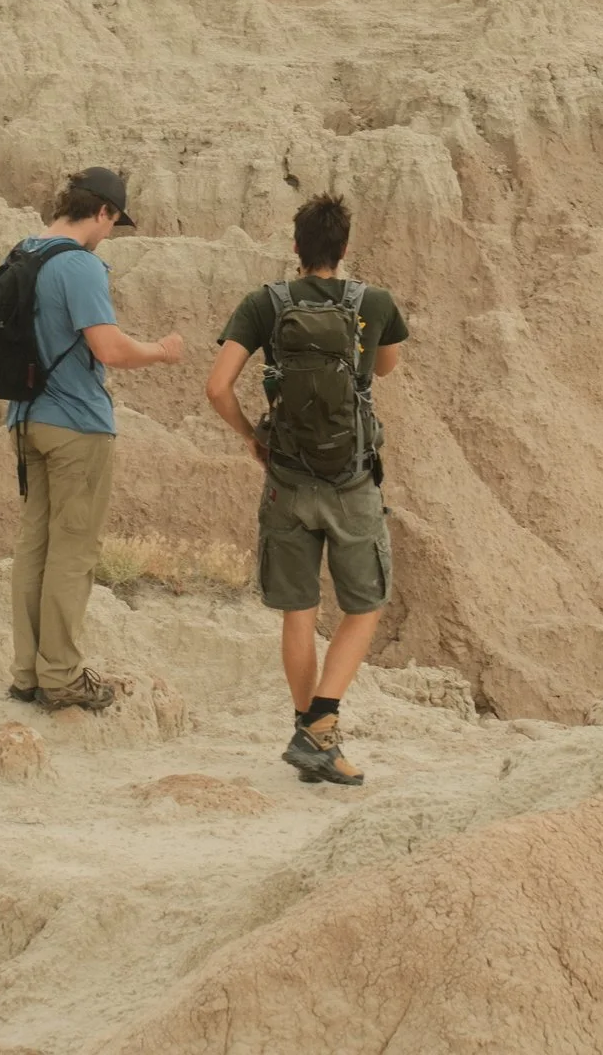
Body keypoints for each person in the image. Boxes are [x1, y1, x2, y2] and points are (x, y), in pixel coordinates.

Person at [205, 194, 407, 784]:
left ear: (296, 248)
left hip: (286, 482)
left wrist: (252, 438)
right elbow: (387, 367)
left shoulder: (263, 304)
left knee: (298, 611)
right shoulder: (374, 303)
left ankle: (309, 732)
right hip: (352, 481)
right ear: (344, 249)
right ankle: (320, 729)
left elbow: (218, 387)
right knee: (364, 605)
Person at [8, 166, 184, 712]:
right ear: (102, 211)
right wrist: (160, 350)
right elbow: (107, 349)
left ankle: (28, 672)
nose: (111, 232)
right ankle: (61, 677)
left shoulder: (24, 251)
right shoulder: (78, 265)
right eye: (114, 222)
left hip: (25, 418)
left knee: (34, 546)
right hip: (76, 423)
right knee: (73, 551)